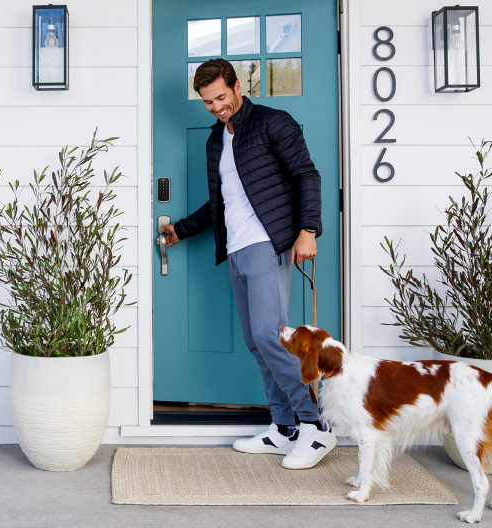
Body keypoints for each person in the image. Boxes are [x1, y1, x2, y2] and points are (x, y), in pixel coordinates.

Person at [160, 59, 336, 470]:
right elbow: (221, 204)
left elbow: (307, 175)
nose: (216, 107)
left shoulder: (274, 123)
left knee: (271, 337)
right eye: (207, 102)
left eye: (221, 97)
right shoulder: (216, 140)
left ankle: (316, 427)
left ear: (238, 87)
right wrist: (181, 230)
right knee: (258, 344)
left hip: (268, 242)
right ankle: (283, 428)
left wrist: (308, 230)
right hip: (237, 249)